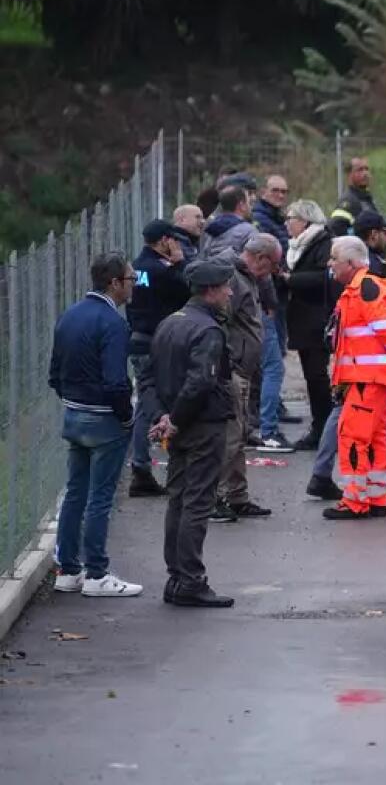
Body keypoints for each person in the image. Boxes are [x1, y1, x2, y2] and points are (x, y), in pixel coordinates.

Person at [140, 260, 240, 608]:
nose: (230, 292)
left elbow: (147, 377)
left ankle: (177, 578)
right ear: (211, 290)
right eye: (226, 287)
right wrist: (177, 419)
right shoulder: (208, 330)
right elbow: (201, 381)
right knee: (197, 502)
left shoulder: (170, 323)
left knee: (179, 500)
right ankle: (191, 580)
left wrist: (163, 417)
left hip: (179, 425)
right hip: (202, 426)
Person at [48, 252, 143, 598]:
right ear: (114, 283)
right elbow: (117, 382)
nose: (134, 285)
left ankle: (68, 570)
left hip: (74, 413)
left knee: (75, 493)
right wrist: (127, 416)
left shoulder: (70, 315)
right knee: (100, 498)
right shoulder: (113, 323)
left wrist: (72, 399)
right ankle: (97, 574)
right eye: (130, 279)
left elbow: (54, 373)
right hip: (104, 418)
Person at [307, 211, 386, 502]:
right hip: (367, 379)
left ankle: (356, 501)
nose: (329, 264)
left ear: (351, 263)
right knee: (376, 437)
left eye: (334, 259)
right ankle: (375, 497)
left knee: (355, 438)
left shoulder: (364, 289)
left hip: (366, 380)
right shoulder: (359, 289)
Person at [209, 234, 279, 521]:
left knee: (237, 436)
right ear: (260, 258)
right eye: (272, 265)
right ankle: (217, 497)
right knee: (229, 437)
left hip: (241, 368)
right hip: (233, 369)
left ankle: (237, 495)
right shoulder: (233, 278)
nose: (273, 272)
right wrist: (231, 361)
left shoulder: (243, 275)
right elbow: (219, 321)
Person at [127, 218, 192, 497]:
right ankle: (142, 468)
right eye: (174, 240)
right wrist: (179, 263)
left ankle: (142, 465)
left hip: (139, 337)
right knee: (152, 403)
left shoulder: (137, 267)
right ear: (165, 240)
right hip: (157, 342)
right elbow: (188, 289)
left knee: (146, 400)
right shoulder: (163, 269)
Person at [283, 199, 338, 450]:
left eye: (291, 218)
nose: (287, 223)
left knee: (317, 377)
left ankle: (324, 428)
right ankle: (321, 426)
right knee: (311, 376)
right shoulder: (295, 246)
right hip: (301, 319)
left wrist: (290, 279)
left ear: (304, 221)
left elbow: (323, 278)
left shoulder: (323, 244)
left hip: (317, 320)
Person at [252, 174, 298, 445]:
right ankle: (267, 425)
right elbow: (268, 263)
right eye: (275, 190)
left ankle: (271, 411)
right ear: (263, 191)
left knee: (274, 358)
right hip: (268, 302)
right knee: (272, 364)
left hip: (275, 299)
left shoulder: (275, 216)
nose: (280, 195)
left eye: (284, 191)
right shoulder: (262, 219)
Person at [328, 157, 379, 236]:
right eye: (360, 170)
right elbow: (336, 230)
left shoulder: (367, 200)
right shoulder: (347, 202)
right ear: (349, 174)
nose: (365, 173)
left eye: (366, 169)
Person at [201, 186, 256, 259]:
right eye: (249, 202)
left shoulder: (208, 229)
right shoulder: (248, 231)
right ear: (242, 205)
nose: (250, 207)